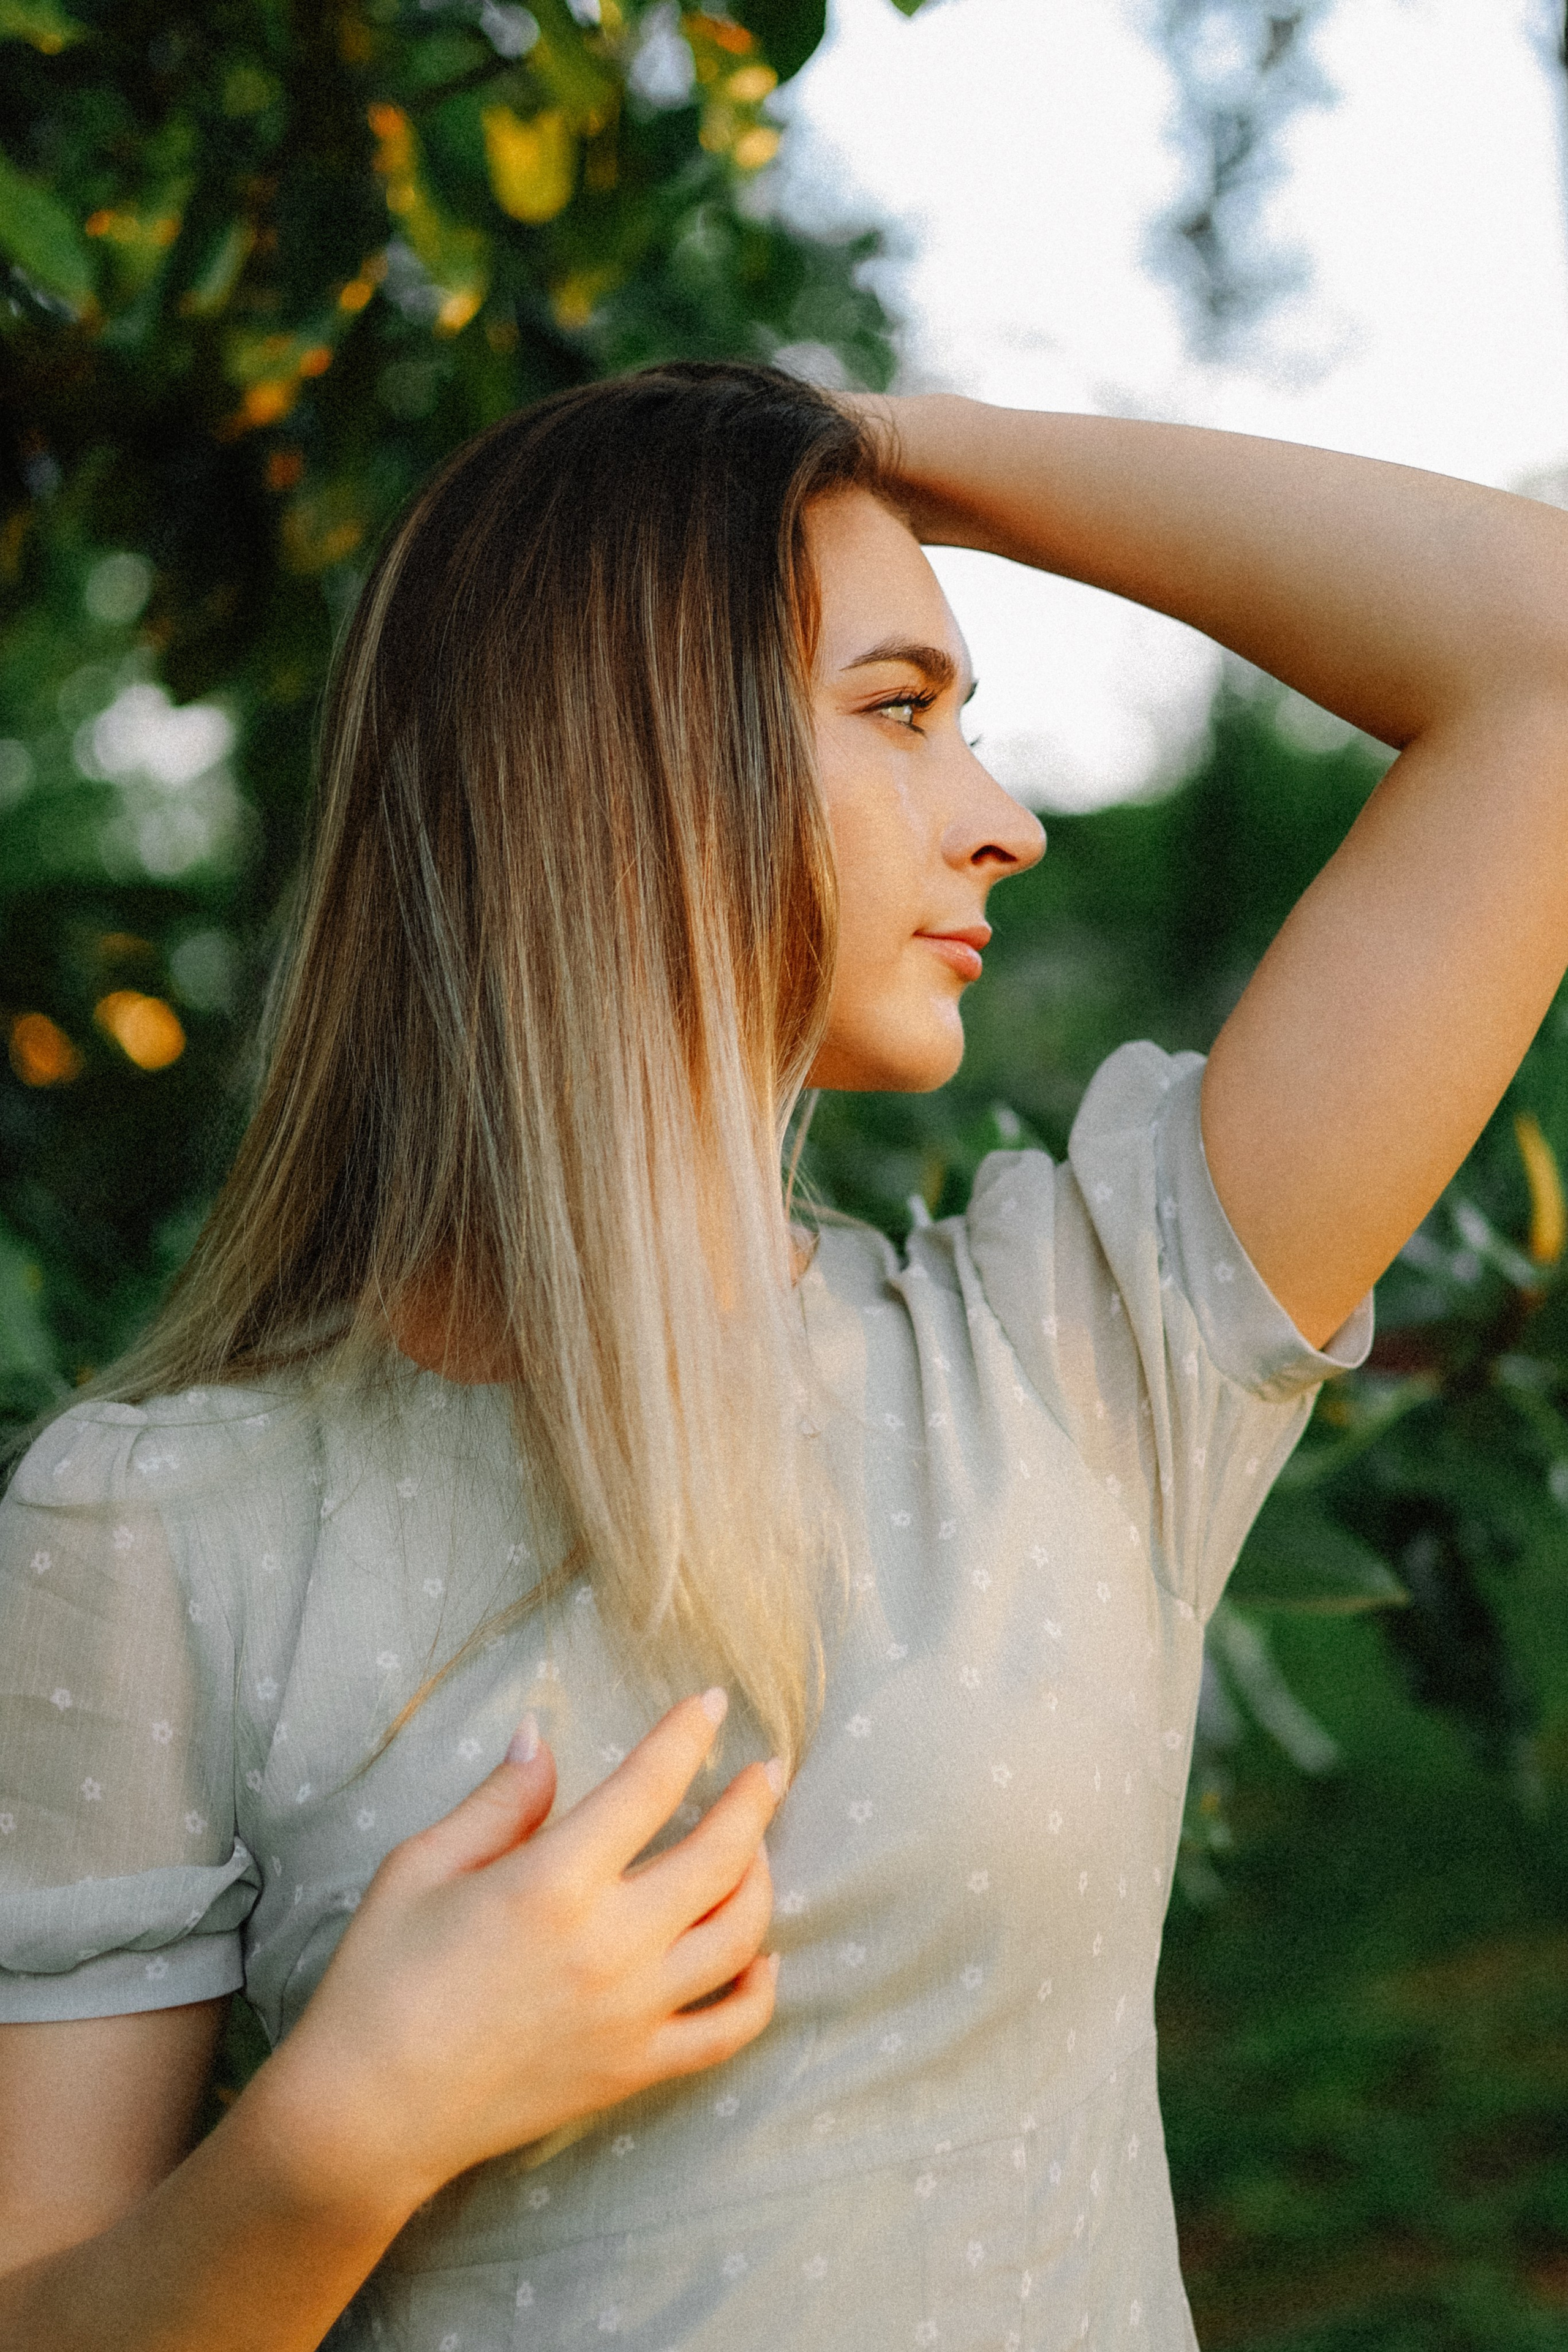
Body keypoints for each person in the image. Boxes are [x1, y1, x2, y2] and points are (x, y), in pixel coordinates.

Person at [1, 361, 1565, 2352]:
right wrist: (345, 2139)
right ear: (630, 747)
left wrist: (859, 439)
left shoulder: (1089, 1353)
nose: (1007, 825)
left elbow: (1542, 656)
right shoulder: (154, 1524)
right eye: (902, 710)